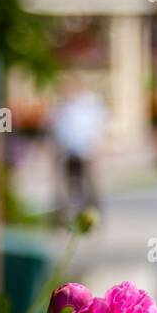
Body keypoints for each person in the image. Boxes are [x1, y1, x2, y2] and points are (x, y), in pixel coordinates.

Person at [51, 78, 107, 224]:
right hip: (68, 152)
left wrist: (95, 147)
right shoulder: (63, 106)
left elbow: (97, 127)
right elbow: (58, 129)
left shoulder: (89, 105)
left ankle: (94, 215)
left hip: (86, 151)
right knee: (69, 185)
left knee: (90, 185)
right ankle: (67, 217)